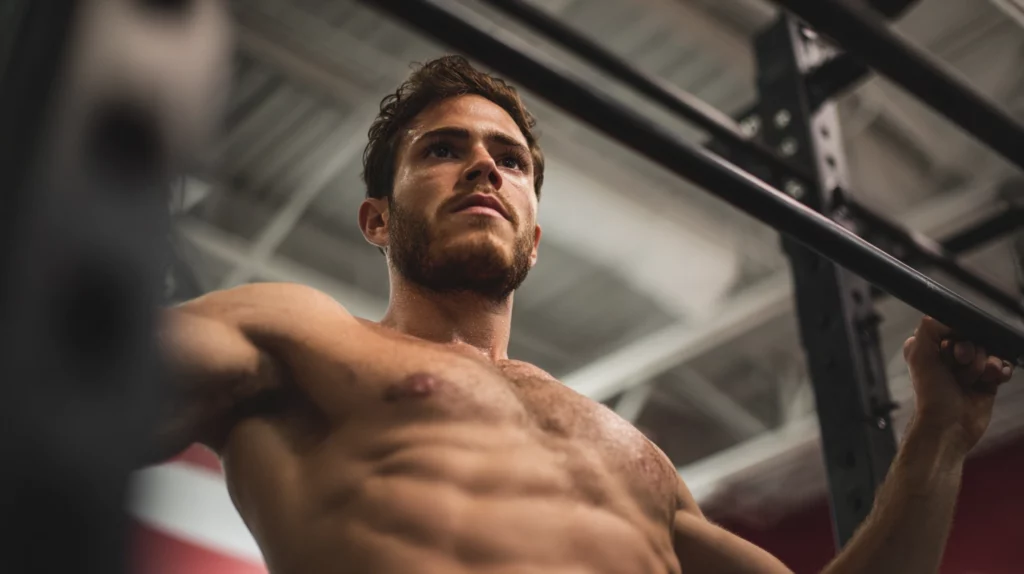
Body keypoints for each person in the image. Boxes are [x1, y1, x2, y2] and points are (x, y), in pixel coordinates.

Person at [158, 55, 1015, 574]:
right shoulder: (299, 333)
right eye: (443, 150)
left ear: (533, 240)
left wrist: (940, 430)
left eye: (511, 160)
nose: (484, 170)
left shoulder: (636, 459)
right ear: (377, 219)